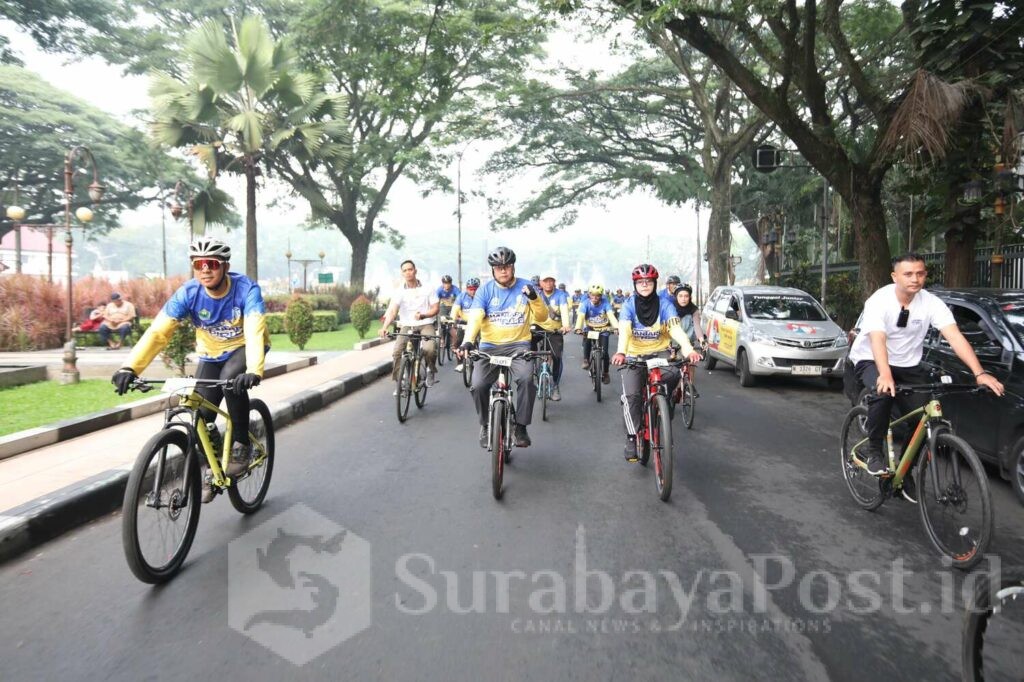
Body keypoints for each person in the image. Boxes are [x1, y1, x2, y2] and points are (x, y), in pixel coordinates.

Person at [111, 238, 269, 502]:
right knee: (201, 413)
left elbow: (254, 329)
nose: (205, 270)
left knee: (231, 381)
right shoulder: (188, 294)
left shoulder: (245, 289)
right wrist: (130, 366)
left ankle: (241, 445)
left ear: (225, 266)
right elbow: (158, 332)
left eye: (211, 264)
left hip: (244, 348)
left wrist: (254, 369)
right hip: (211, 354)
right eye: (198, 265)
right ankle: (214, 465)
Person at [848, 253, 1004, 501]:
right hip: (871, 358)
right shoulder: (879, 301)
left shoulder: (931, 303)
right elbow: (878, 337)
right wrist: (885, 374)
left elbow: (954, 337)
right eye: (908, 274)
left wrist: (980, 373)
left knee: (925, 416)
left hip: (908, 364)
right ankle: (874, 449)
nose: (915, 279)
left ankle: (905, 471)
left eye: (920, 273)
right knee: (883, 393)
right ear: (895, 276)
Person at [457, 246, 548, 448]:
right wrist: (468, 340)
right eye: (499, 268)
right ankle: (486, 425)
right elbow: (476, 318)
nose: (503, 271)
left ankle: (521, 427)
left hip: (519, 346)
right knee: (478, 385)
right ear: (493, 270)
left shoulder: (526, 287)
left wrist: (534, 298)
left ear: (513, 267)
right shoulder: (485, 290)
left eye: (507, 267)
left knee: (526, 380)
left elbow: (542, 317)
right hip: (489, 347)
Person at [612, 264, 701, 461]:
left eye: (648, 282)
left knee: (674, 374)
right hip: (634, 355)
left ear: (654, 283)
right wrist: (620, 352)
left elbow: (676, 329)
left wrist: (688, 350)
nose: (644, 285)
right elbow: (625, 331)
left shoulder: (665, 304)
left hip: (660, 353)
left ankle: (663, 404)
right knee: (631, 396)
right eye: (640, 282)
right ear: (635, 284)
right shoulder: (628, 305)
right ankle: (631, 436)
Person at [379, 259, 440, 389]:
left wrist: (423, 315)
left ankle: (430, 370)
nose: (408, 272)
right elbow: (393, 311)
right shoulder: (399, 291)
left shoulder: (428, 287)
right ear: (402, 273)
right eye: (405, 270)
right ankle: (400, 381)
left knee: (429, 349)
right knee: (396, 352)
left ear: (415, 271)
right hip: (407, 325)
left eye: (410, 269)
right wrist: (384, 327)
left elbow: (436, 308)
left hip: (425, 323)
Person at [533, 273, 572, 401]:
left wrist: (565, 325)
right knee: (526, 351)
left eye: (551, 281)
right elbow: (529, 310)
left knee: (557, 357)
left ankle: (555, 385)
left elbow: (564, 310)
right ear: (541, 283)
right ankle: (531, 373)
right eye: (546, 281)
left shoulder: (561, 295)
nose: (548, 283)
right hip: (537, 328)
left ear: (554, 282)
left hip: (555, 330)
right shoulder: (536, 294)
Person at [575, 284, 618, 384]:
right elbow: (581, 316)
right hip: (590, 328)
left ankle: (606, 373)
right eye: (592, 295)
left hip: (604, 329)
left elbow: (611, 316)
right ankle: (586, 360)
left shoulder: (605, 303)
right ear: (589, 295)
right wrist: (578, 328)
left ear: (601, 296)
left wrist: (616, 327)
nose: (595, 297)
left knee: (605, 353)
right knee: (587, 341)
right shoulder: (585, 303)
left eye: (597, 295)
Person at [672, 284, 707, 395]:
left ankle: (689, 385)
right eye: (680, 296)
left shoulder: (694, 309)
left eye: (686, 296)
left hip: (687, 343)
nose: (683, 299)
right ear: (676, 297)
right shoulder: (670, 308)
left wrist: (702, 340)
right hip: (671, 343)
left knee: (691, 362)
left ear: (690, 297)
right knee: (672, 369)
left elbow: (697, 326)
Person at [450, 277, 479, 373]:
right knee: (458, 341)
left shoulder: (481, 296)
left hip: (478, 322)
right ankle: (460, 363)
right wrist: (452, 320)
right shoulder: (461, 297)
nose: (473, 292)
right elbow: (455, 309)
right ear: (467, 289)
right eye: (471, 289)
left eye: (475, 289)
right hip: (464, 322)